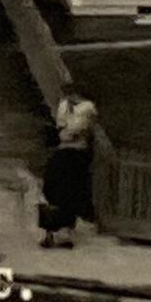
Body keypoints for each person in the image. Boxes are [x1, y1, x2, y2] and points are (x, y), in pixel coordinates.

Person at [37, 90, 98, 248]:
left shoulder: (87, 108)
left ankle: (62, 232)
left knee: (68, 191)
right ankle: (53, 232)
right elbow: (63, 127)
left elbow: (72, 131)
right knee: (54, 189)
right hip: (66, 152)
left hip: (75, 154)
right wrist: (65, 130)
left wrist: (65, 130)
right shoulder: (66, 105)